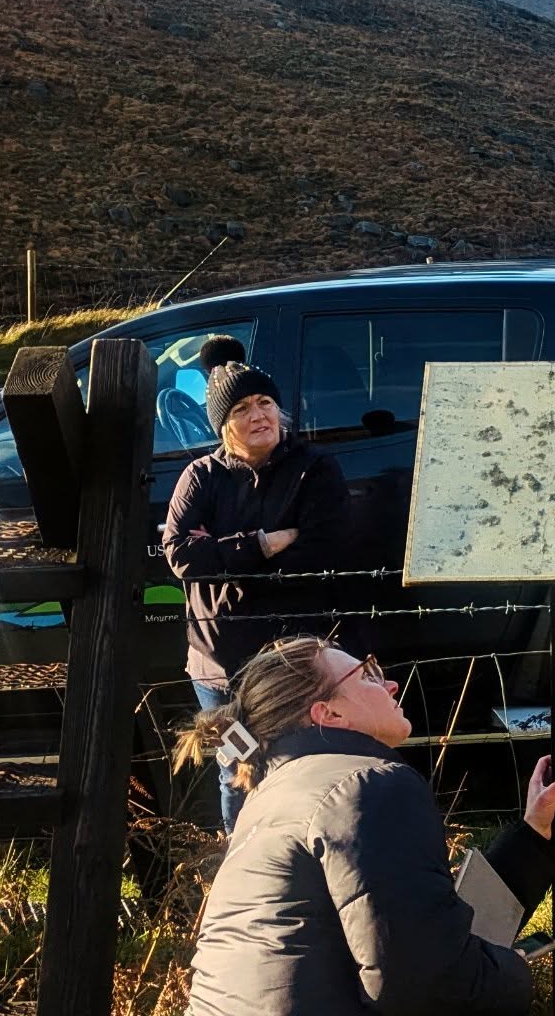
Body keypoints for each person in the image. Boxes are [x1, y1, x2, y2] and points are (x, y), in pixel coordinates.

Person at [177, 637, 555, 1016]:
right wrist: (516, 970)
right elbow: (427, 987)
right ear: (329, 713)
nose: (390, 685)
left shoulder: (265, 804)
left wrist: (532, 836)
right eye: (367, 675)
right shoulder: (365, 786)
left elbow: (413, 929)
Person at [162, 337, 354, 832]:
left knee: (302, 767)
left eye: (265, 402)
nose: (258, 416)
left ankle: (299, 862)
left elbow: (321, 551)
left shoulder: (314, 470)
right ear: (224, 425)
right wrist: (264, 543)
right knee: (237, 771)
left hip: (294, 664)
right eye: (241, 409)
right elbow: (180, 556)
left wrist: (219, 552)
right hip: (221, 669)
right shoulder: (200, 477)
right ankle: (242, 863)